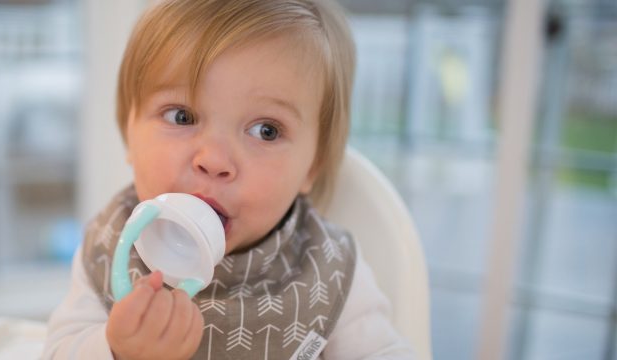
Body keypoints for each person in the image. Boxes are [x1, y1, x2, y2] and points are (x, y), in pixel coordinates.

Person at [43, 0, 414, 359]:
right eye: (182, 117)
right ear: (130, 131)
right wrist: (118, 350)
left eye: (266, 130)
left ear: (312, 167)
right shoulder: (111, 248)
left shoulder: (326, 268)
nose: (214, 161)